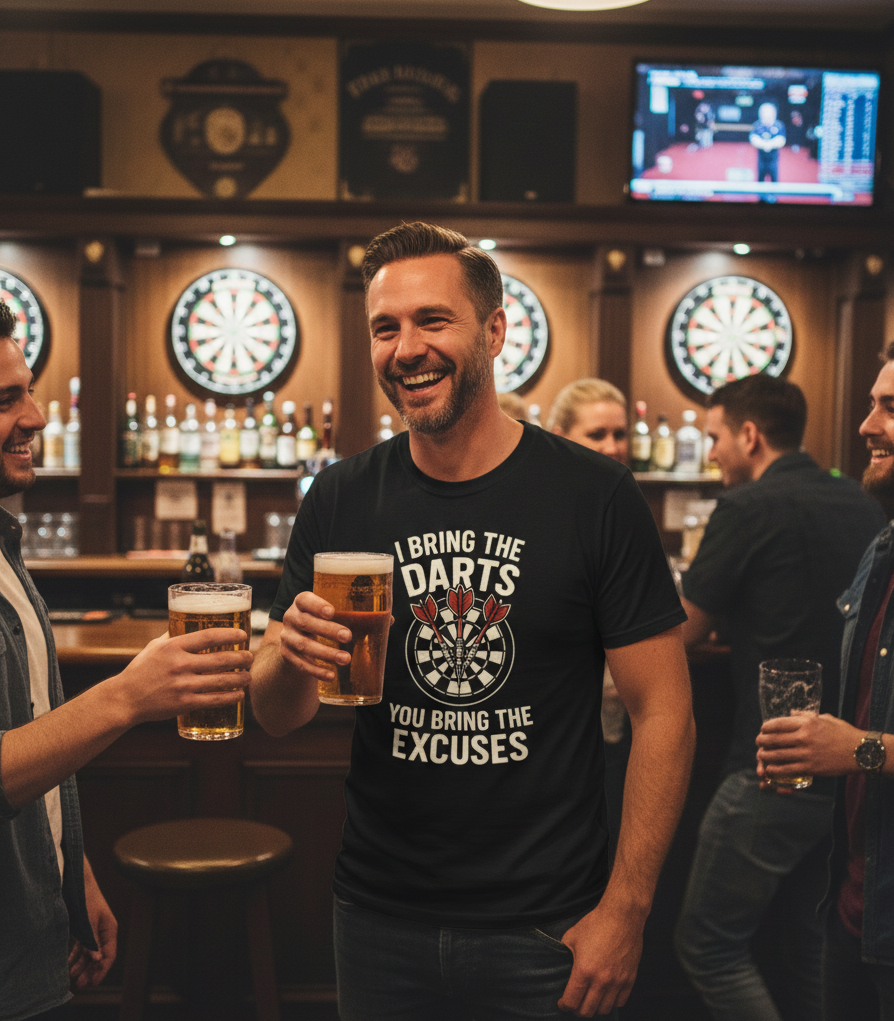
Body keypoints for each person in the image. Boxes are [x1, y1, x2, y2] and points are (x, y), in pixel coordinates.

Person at [250, 222, 695, 1020]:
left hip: (548, 925)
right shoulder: (341, 497)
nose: (406, 347)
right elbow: (279, 716)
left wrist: (625, 911)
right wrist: (286, 651)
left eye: (433, 320)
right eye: (386, 328)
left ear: (494, 330)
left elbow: (664, 711)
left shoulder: (595, 495)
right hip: (377, 914)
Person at [0, 301, 252, 1020]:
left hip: (31, 935)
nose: (37, 417)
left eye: (29, 390)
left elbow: (33, 739)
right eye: (4, 400)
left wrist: (68, 869)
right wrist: (127, 696)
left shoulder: (6, 549)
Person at [674, 373, 885, 1021]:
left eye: (714, 438)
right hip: (845, 782)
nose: (710, 454)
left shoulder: (745, 507)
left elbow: (681, 631)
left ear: (748, 434)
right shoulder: (861, 500)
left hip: (772, 764)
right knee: (808, 947)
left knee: (706, 941)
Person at [756, 343, 894, 1020]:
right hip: (853, 907)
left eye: (891, 407)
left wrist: (859, 749)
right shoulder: (882, 548)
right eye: (872, 403)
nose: (867, 424)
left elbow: (863, 741)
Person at [547, 379, 631, 855]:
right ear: (559, 436)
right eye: (597, 435)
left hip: (609, 735)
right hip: (548, 742)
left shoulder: (622, 509)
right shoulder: (543, 511)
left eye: (620, 435)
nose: (613, 447)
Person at [749, 102, 786, 197]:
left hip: (773, 159)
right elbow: (753, 139)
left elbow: (781, 140)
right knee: (760, 180)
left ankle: (774, 198)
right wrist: (764, 145)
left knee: (774, 180)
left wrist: (770, 144)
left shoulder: (779, 125)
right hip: (761, 159)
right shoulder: (757, 125)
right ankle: (761, 198)